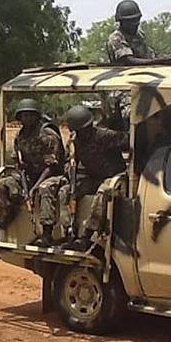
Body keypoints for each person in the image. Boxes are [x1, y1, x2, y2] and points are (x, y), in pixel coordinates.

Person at [0, 98, 64, 247]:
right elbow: (17, 160)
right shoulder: (21, 135)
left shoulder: (47, 134)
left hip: (50, 174)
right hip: (29, 175)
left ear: (36, 116)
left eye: (31, 115)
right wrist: (21, 175)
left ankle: (47, 234)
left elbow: (51, 166)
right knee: (3, 184)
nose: (27, 119)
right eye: (24, 115)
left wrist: (33, 188)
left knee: (44, 189)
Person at [59, 104, 130, 250]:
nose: (84, 133)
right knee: (65, 191)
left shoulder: (104, 135)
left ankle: (88, 235)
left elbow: (129, 141)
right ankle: (69, 232)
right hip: (92, 177)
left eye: (86, 129)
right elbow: (69, 161)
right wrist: (70, 169)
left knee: (103, 192)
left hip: (114, 177)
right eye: (80, 130)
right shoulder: (74, 141)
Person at [106, 0, 171, 66]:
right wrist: (159, 61)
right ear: (121, 21)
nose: (135, 24)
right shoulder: (116, 38)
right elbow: (128, 61)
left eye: (136, 20)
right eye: (130, 21)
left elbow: (150, 56)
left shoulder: (139, 34)